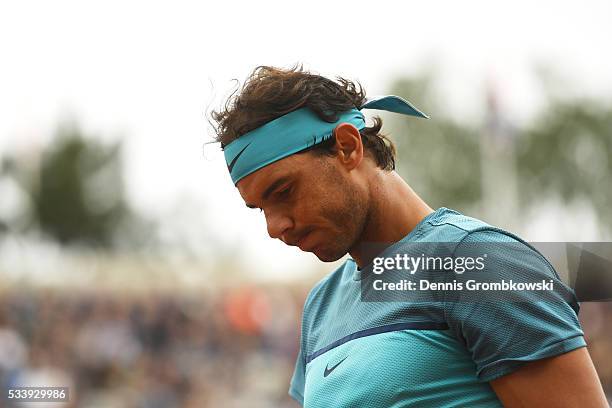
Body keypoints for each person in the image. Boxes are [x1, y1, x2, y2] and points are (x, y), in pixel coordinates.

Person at [211, 65, 607, 407]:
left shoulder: (479, 263)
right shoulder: (321, 304)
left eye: (283, 192)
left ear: (347, 148)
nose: (275, 227)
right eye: (261, 208)